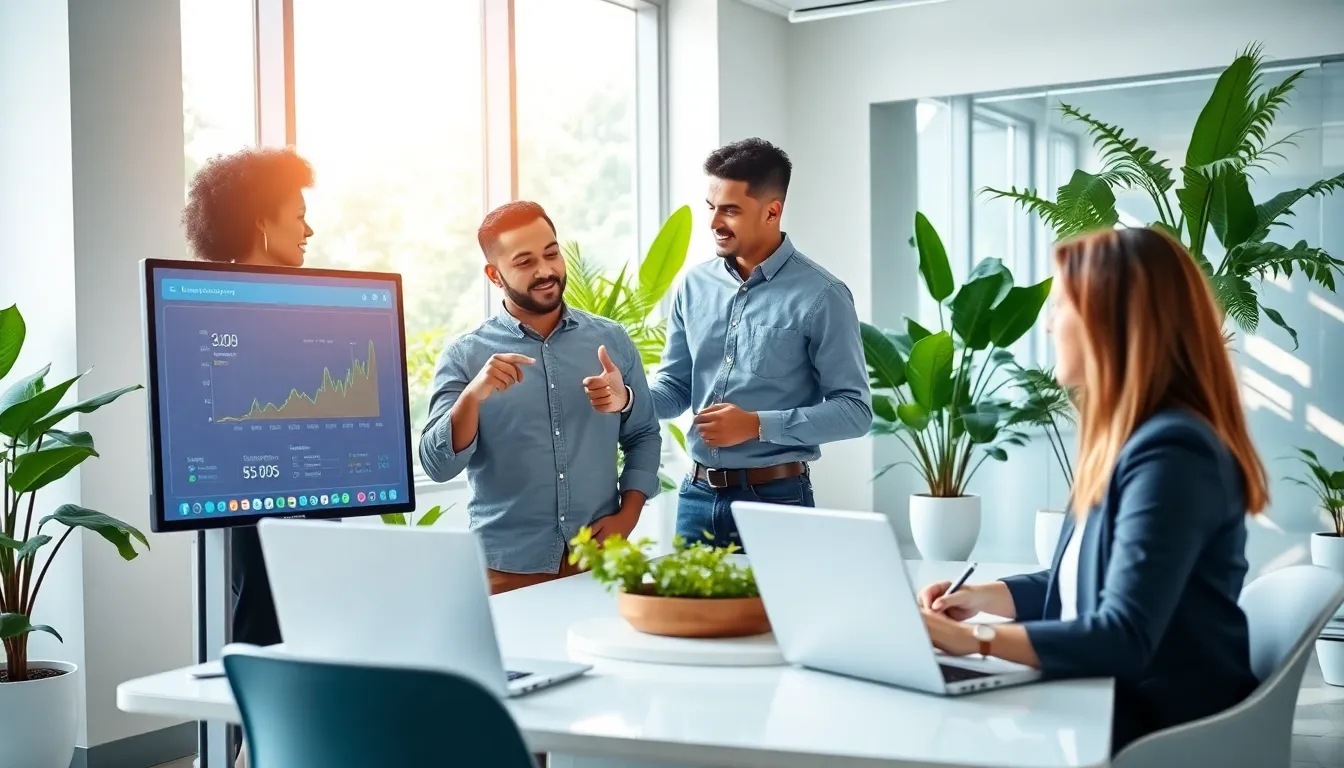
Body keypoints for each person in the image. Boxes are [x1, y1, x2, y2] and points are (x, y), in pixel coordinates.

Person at [916, 227, 1266, 753]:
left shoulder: (1174, 453)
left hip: (1154, 729)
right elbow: (1079, 581)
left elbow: (1122, 636)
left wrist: (974, 641)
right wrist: (981, 599)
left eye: (1062, 306)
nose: (1050, 322)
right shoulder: (1127, 440)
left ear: (1114, 322)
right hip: (1102, 702)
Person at [419, 200, 662, 595]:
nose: (546, 271)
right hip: (505, 570)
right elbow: (436, 465)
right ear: (494, 275)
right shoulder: (465, 357)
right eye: (525, 262)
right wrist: (471, 398)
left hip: (600, 563)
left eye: (551, 253)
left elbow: (644, 436)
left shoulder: (610, 340)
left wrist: (627, 517)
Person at [649, 138, 871, 549]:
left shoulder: (822, 295)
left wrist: (755, 425)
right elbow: (676, 388)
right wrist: (625, 398)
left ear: (772, 211)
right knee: (690, 616)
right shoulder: (695, 285)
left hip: (775, 501)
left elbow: (855, 411)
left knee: (774, 616)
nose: (714, 221)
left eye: (730, 210)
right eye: (711, 207)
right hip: (695, 498)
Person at [183, 145, 314, 768]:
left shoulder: (310, 300)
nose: (309, 229)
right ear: (263, 220)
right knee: (260, 632)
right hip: (248, 506)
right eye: (298, 214)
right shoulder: (209, 301)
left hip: (313, 498)